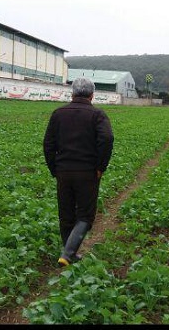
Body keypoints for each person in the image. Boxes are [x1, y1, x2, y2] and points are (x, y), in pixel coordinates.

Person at [43, 77, 114, 267]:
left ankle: (69, 253)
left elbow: (48, 144)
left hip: (64, 172)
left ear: (72, 93)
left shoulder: (58, 114)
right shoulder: (97, 115)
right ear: (92, 95)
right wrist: (100, 166)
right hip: (87, 172)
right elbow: (106, 139)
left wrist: (54, 168)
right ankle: (68, 254)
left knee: (66, 213)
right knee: (85, 215)